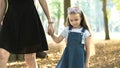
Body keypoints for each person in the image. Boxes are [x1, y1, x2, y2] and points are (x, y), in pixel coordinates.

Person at [0, 0, 53, 68]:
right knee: (2, 54)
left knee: (30, 58)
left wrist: (50, 21)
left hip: (29, 20)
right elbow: (2, 3)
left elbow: (42, 1)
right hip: (11, 21)